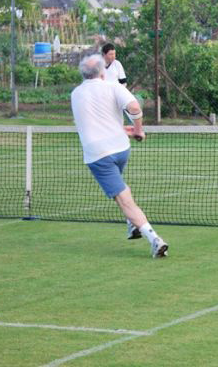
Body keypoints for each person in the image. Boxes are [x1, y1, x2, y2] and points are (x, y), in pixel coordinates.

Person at [71, 54, 168, 258]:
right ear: (102, 72)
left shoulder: (76, 94)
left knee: (125, 201)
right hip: (121, 150)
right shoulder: (114, 86)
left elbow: (93, 123)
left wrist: (131, 129)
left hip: (98, 155)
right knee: (123, 191)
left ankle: (155, 240)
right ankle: (132, 226)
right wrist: (137, 130)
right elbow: (134, 108)